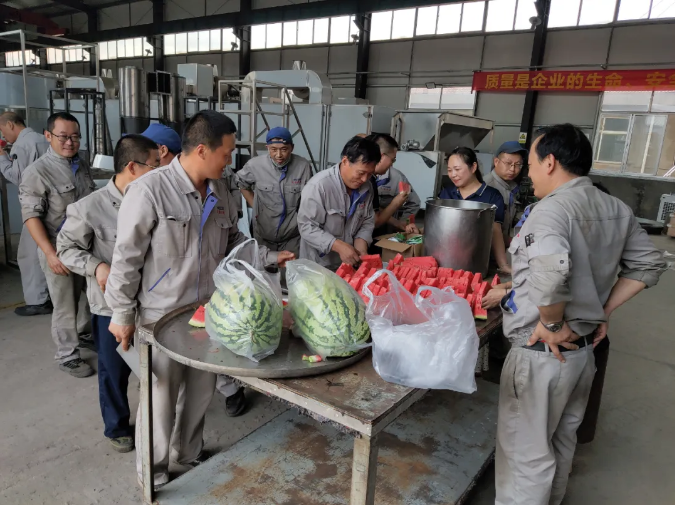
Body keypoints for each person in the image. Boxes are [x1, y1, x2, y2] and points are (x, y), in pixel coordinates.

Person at [103, 110, 294, 489]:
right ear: (203, 149)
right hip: (159, 317)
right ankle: (154, 473)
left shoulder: (220, 190)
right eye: (227, 152)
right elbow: (126, 258)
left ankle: (188, 455)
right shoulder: (150, 190)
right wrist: (121, 313)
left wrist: (270, 257)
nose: (230, 160)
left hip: (208, 314)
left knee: (200, 393)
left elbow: (233, 241)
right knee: (160, 399)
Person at [495, 123, 666, 505]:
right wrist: (602, 311)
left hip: (542, 355)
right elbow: (649, 265)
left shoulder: (550, 211)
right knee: (561, 442)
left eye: (531, 165)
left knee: (526, 459)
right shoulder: (615, 208)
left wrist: (552, 323)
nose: (528, 174)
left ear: (550, 162)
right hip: (583, 354)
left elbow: (551, 272)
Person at [56, 135, 160, 453]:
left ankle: (156, 422)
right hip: (110, 307)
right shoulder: (89, 207)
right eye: (155, 165)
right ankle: (117, 426)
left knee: (155, 370)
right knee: (114, 370)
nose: (160, 172)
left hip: (152, 303)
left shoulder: (156, 200)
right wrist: (96, 266)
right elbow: (65, 249)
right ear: (132, 167)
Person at [19, 112, 97, 378]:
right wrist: (50, 254)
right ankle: (67, 355)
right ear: (48, 136)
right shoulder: (37, 172)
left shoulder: (81, 164)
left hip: (86, 245)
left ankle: (85, 335)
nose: (69, 142)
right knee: (65, 304)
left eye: (75, 137)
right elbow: (31, 217)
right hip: (59, 248)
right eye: (63, 137)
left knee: (90, 297)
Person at [297, 136, 380, 267]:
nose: (364, 179)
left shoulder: (367, 187)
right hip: (318, 265)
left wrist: (362, 247)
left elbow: (367, 221)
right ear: (345, 161)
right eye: (361, 173)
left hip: (349, 264)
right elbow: (307, 227)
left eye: (370, 174)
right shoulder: (319, 186)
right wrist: (338, 246)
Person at [0, 111, 51, 316]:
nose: (3, 136)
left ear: (11, 125)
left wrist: (2, 158)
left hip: (35, 206)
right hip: (52, 204)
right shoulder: (43, 139)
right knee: (47, 251)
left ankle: (39, 301)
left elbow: (17, 177)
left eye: (2, 130)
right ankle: (51, 295)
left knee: (29, 255)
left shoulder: (22, 145)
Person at [236, 127, 313, 256]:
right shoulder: (255, 165)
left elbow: (309, 198)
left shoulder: (303, 166)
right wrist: (255, 206)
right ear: (267, 148)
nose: (279, 155)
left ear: (292, 148)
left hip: (292, 237)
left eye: (284, 149)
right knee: (264, 266)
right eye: (273, 149)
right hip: (263, 235)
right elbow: (240, 183)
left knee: (291, 267)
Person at [438, 147, 509, 272]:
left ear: (473, 167)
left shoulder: (492, 196)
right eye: (449, 170)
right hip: (445, 260)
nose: (453, 175)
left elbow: (496, 231)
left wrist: (503, 265)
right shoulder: (447, 193)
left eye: (457, 169)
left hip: (477, 263)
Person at [366, 133, 420, 234]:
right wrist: (396, 202)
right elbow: (375, 221)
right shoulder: (366, 180)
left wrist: (400, 224)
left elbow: (374, 209)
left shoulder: (396, 177)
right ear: (381, 157)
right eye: (392, 159)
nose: (392, 163)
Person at [485, 141, 527, 262]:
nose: (513, 169)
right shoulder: (487, 188)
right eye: (508, 163)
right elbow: (488, 228)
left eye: (518, 165)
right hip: (487, 253)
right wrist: (511, 240)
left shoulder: (511, 186)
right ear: (496, 161)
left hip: (502, 251)